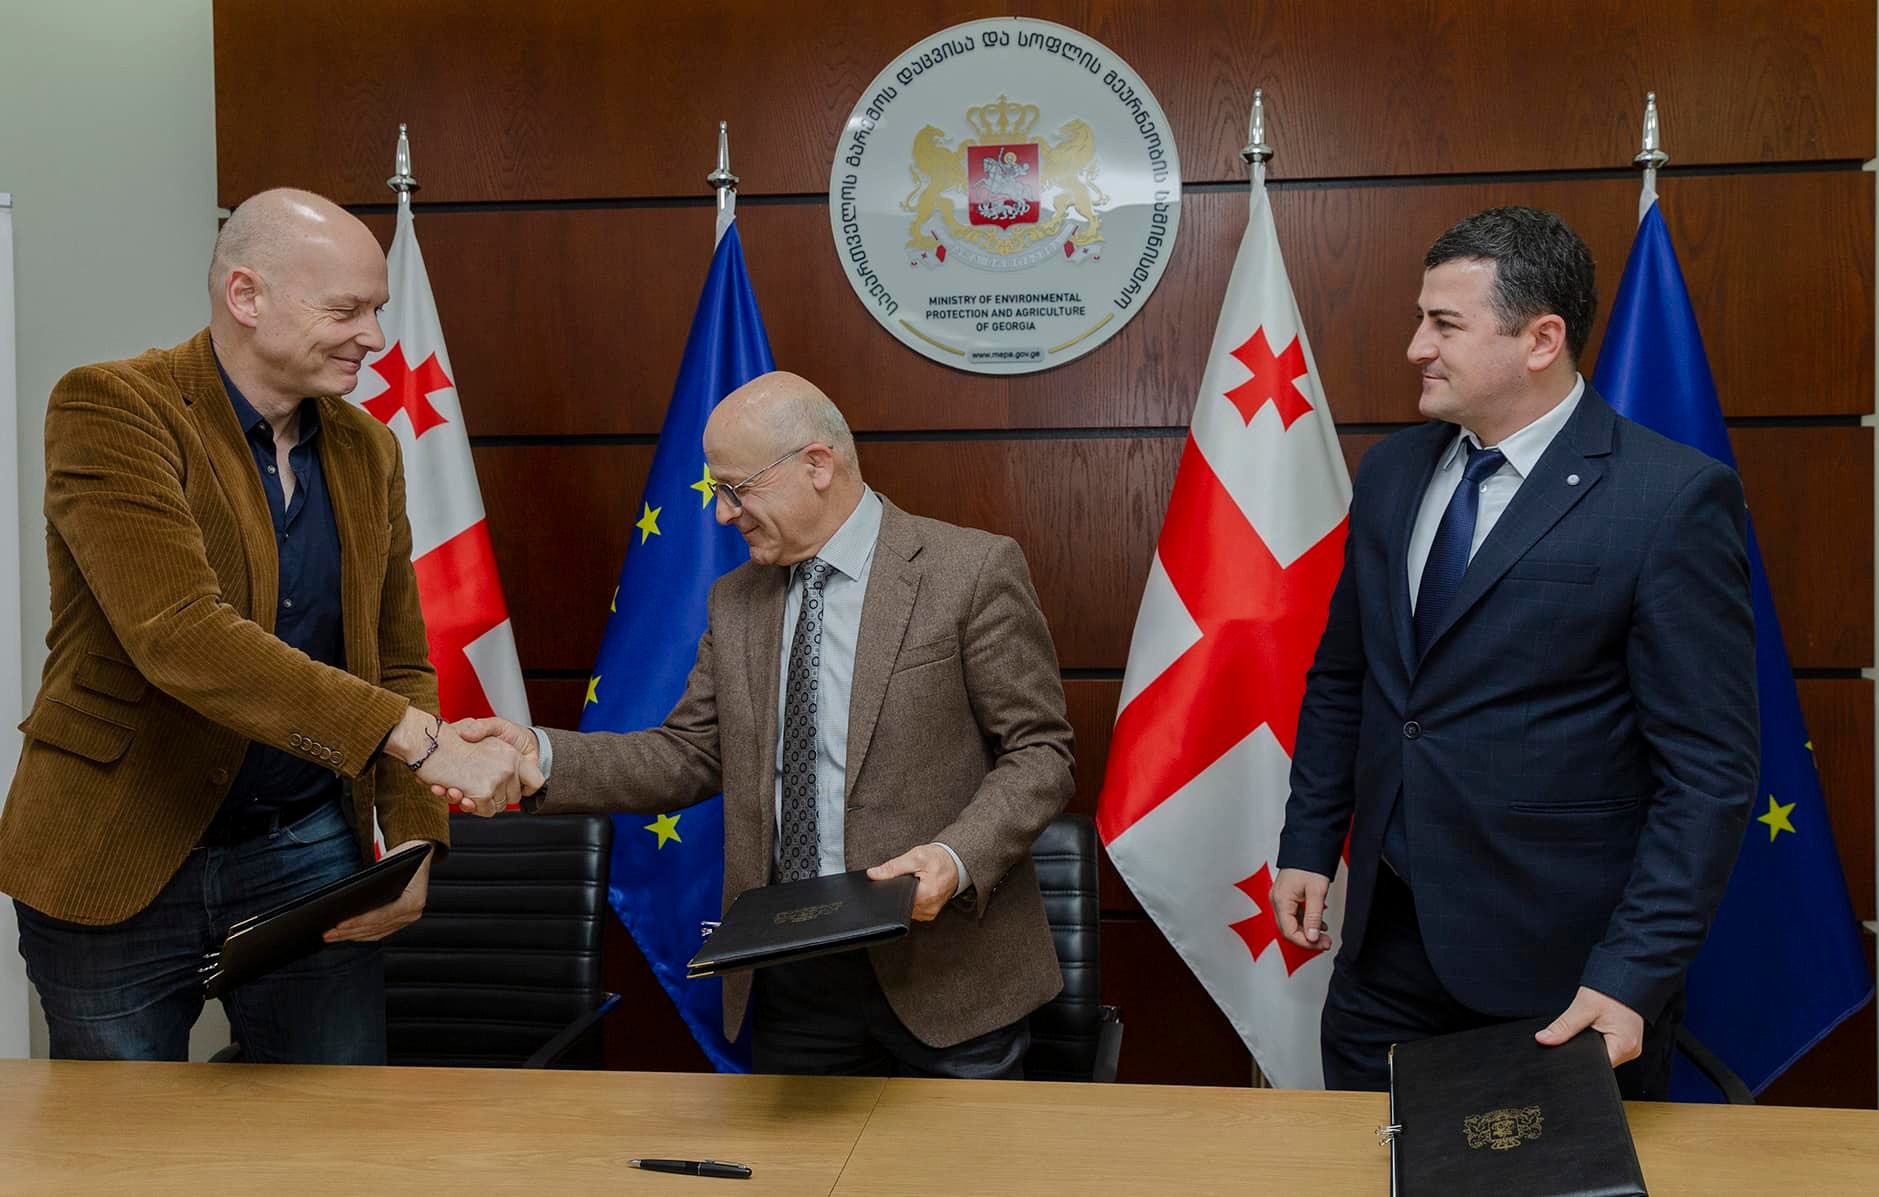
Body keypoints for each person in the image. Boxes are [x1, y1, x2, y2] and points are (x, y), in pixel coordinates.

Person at [0, 189, 531, 1064]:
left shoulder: (369, 448)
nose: (373, 336)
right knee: (121, 1137)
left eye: (378, 310)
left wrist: (411, 840)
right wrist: (423, 744)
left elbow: (399, 657)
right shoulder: (112, 408)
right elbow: (181, 634)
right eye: (346, 310)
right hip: (117, 842)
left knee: (330, 1125)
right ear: (246, 296)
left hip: (304, 850)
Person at [451, 372, 1075, 1078]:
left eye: (737, 488)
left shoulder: (969, 570)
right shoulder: (736, 599)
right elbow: (688, 752)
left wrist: (954, 858)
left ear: (817, 465)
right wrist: (539, 755)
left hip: (951, 973)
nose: (723, 514)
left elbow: (1040, 752)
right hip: (793, 976)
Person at [1269, 206, 1758, 1099]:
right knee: (1360, 1162)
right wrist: (1308, 840)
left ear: (1541, 339)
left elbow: (1708, 773)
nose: (1417, 347)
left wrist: (1632, 971)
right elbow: (1348, 678)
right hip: (1384, 953)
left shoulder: (1670, 499)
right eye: (1420, 318)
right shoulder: (1391, 474)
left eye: (1444, 324)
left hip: (1562, 972)